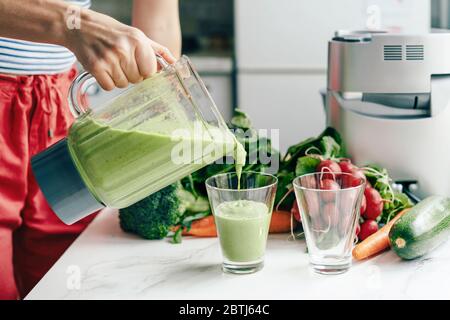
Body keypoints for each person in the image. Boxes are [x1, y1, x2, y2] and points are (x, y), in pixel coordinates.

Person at [0, 0, 181, 299]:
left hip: (58, 109)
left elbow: (156, 20)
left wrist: (161, 109)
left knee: (68, 286)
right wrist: (71, 24)